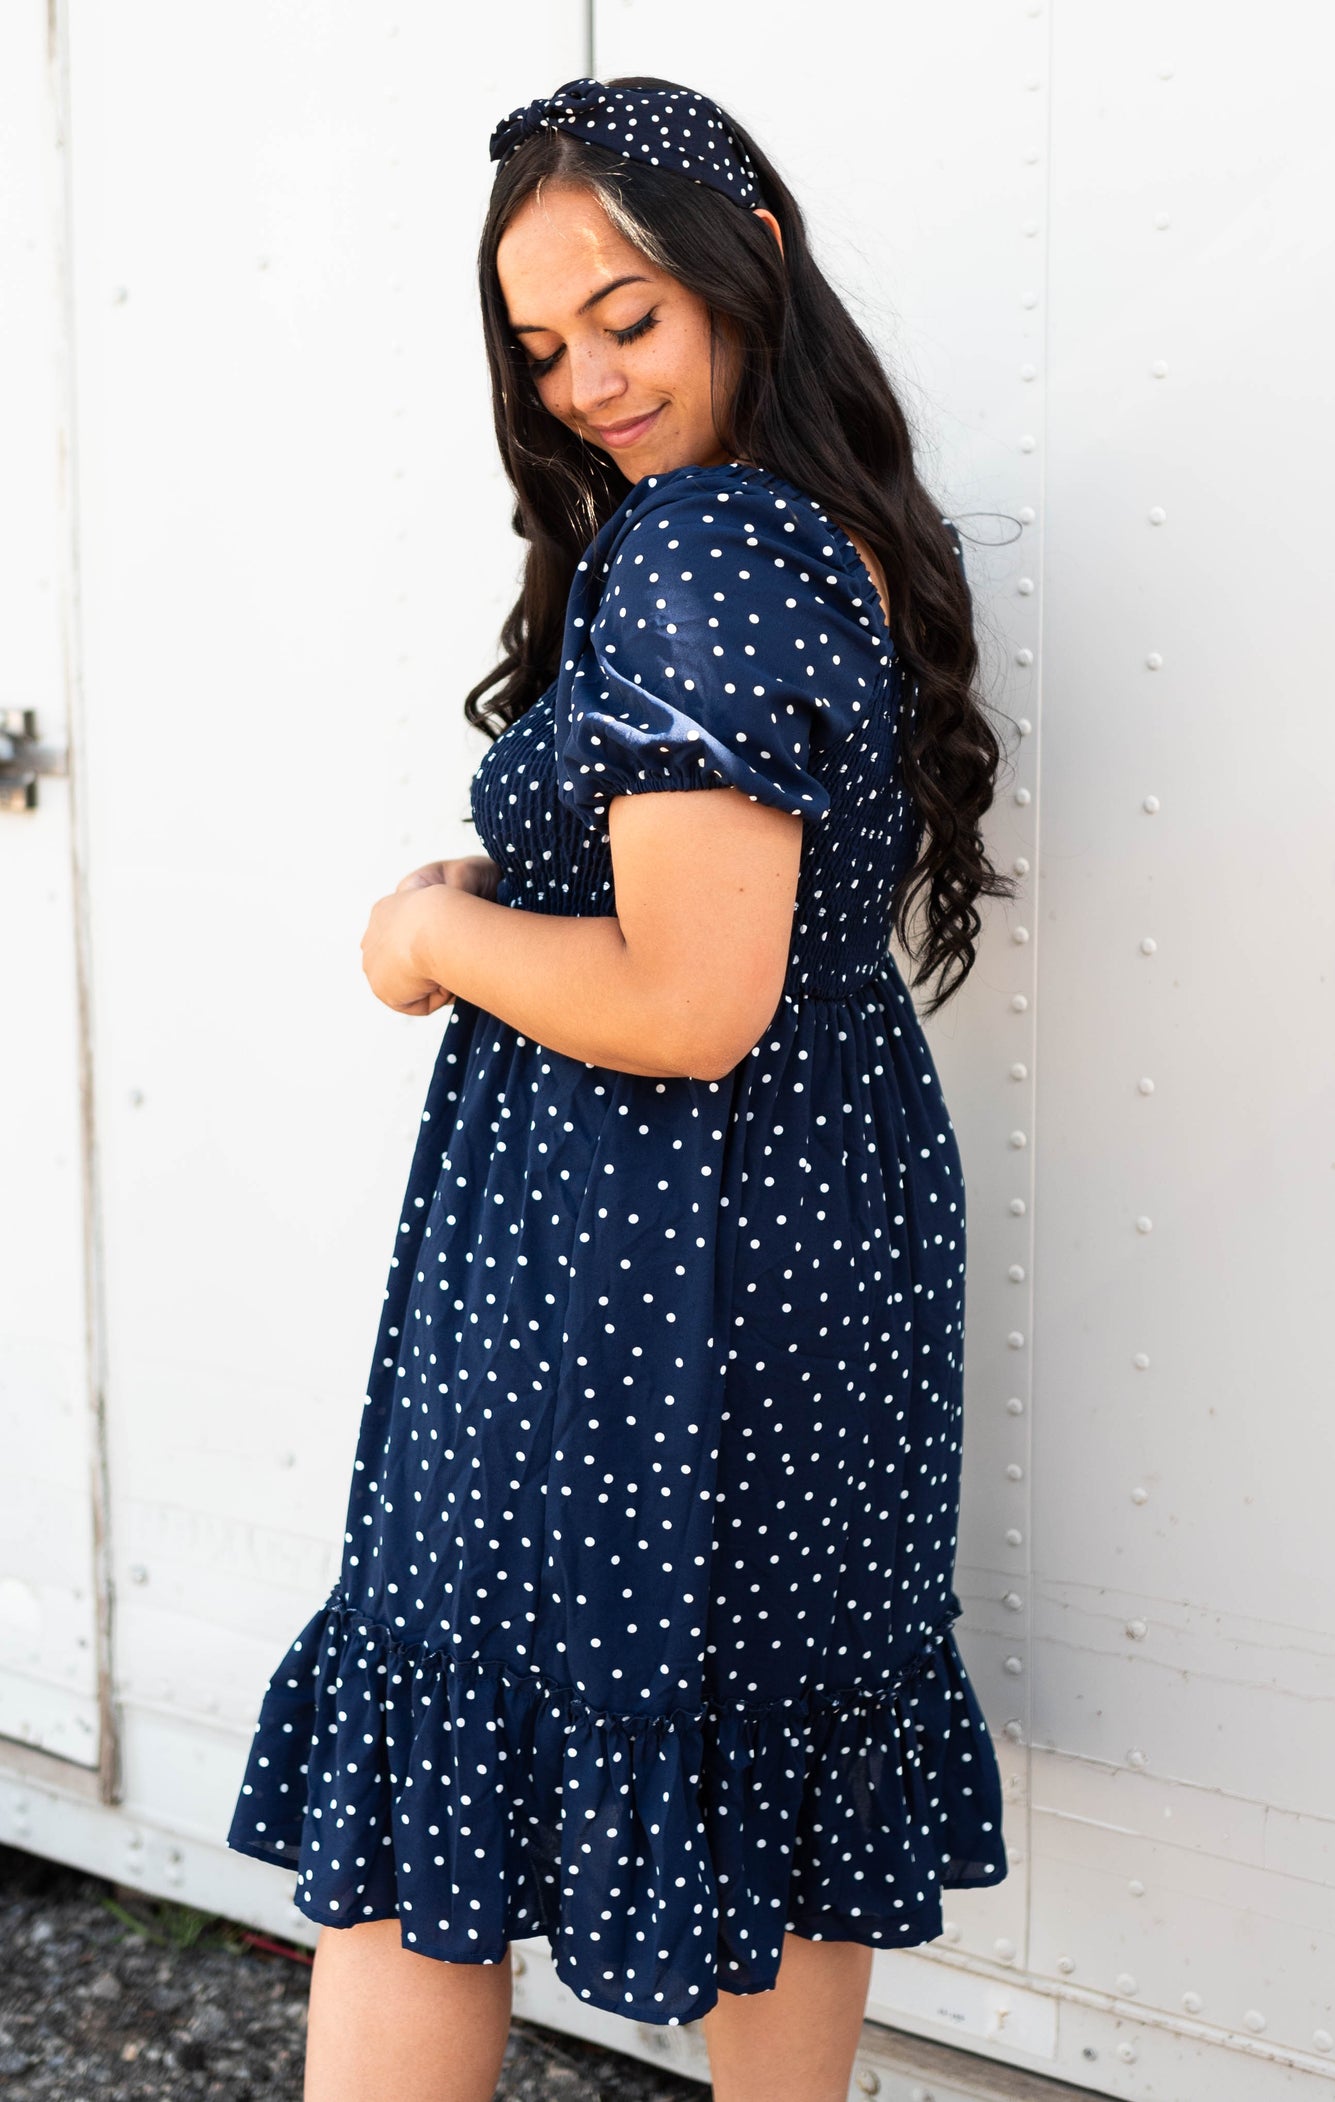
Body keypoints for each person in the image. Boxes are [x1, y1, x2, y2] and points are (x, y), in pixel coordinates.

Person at [226, 74, 1016, 2102]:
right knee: (765, 1754)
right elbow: (730, 906)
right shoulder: (828, 529)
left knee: (429, 1802)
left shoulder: (707, 551)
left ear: (746, 262)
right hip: (796, 1218)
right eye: (544, 342)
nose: (583, 377)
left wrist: (425, 934)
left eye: (624, 316)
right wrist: (529, 881)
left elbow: (682, 999)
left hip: (640, 1248)